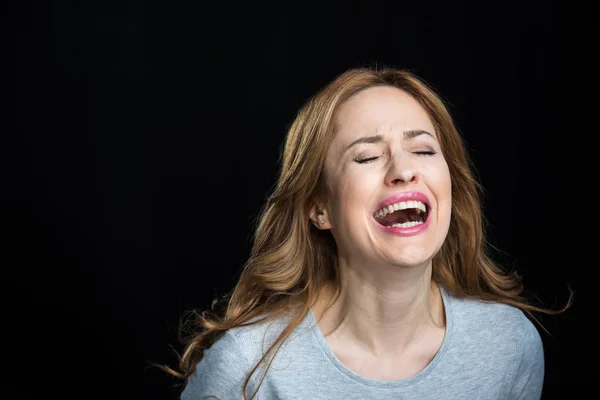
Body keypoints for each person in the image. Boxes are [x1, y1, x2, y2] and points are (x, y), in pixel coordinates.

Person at [161, 66, 571, 399]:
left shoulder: (508, 345)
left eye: (424, 150)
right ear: (319, 207)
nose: (404, 169)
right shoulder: (248, 367)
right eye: (368, 156)